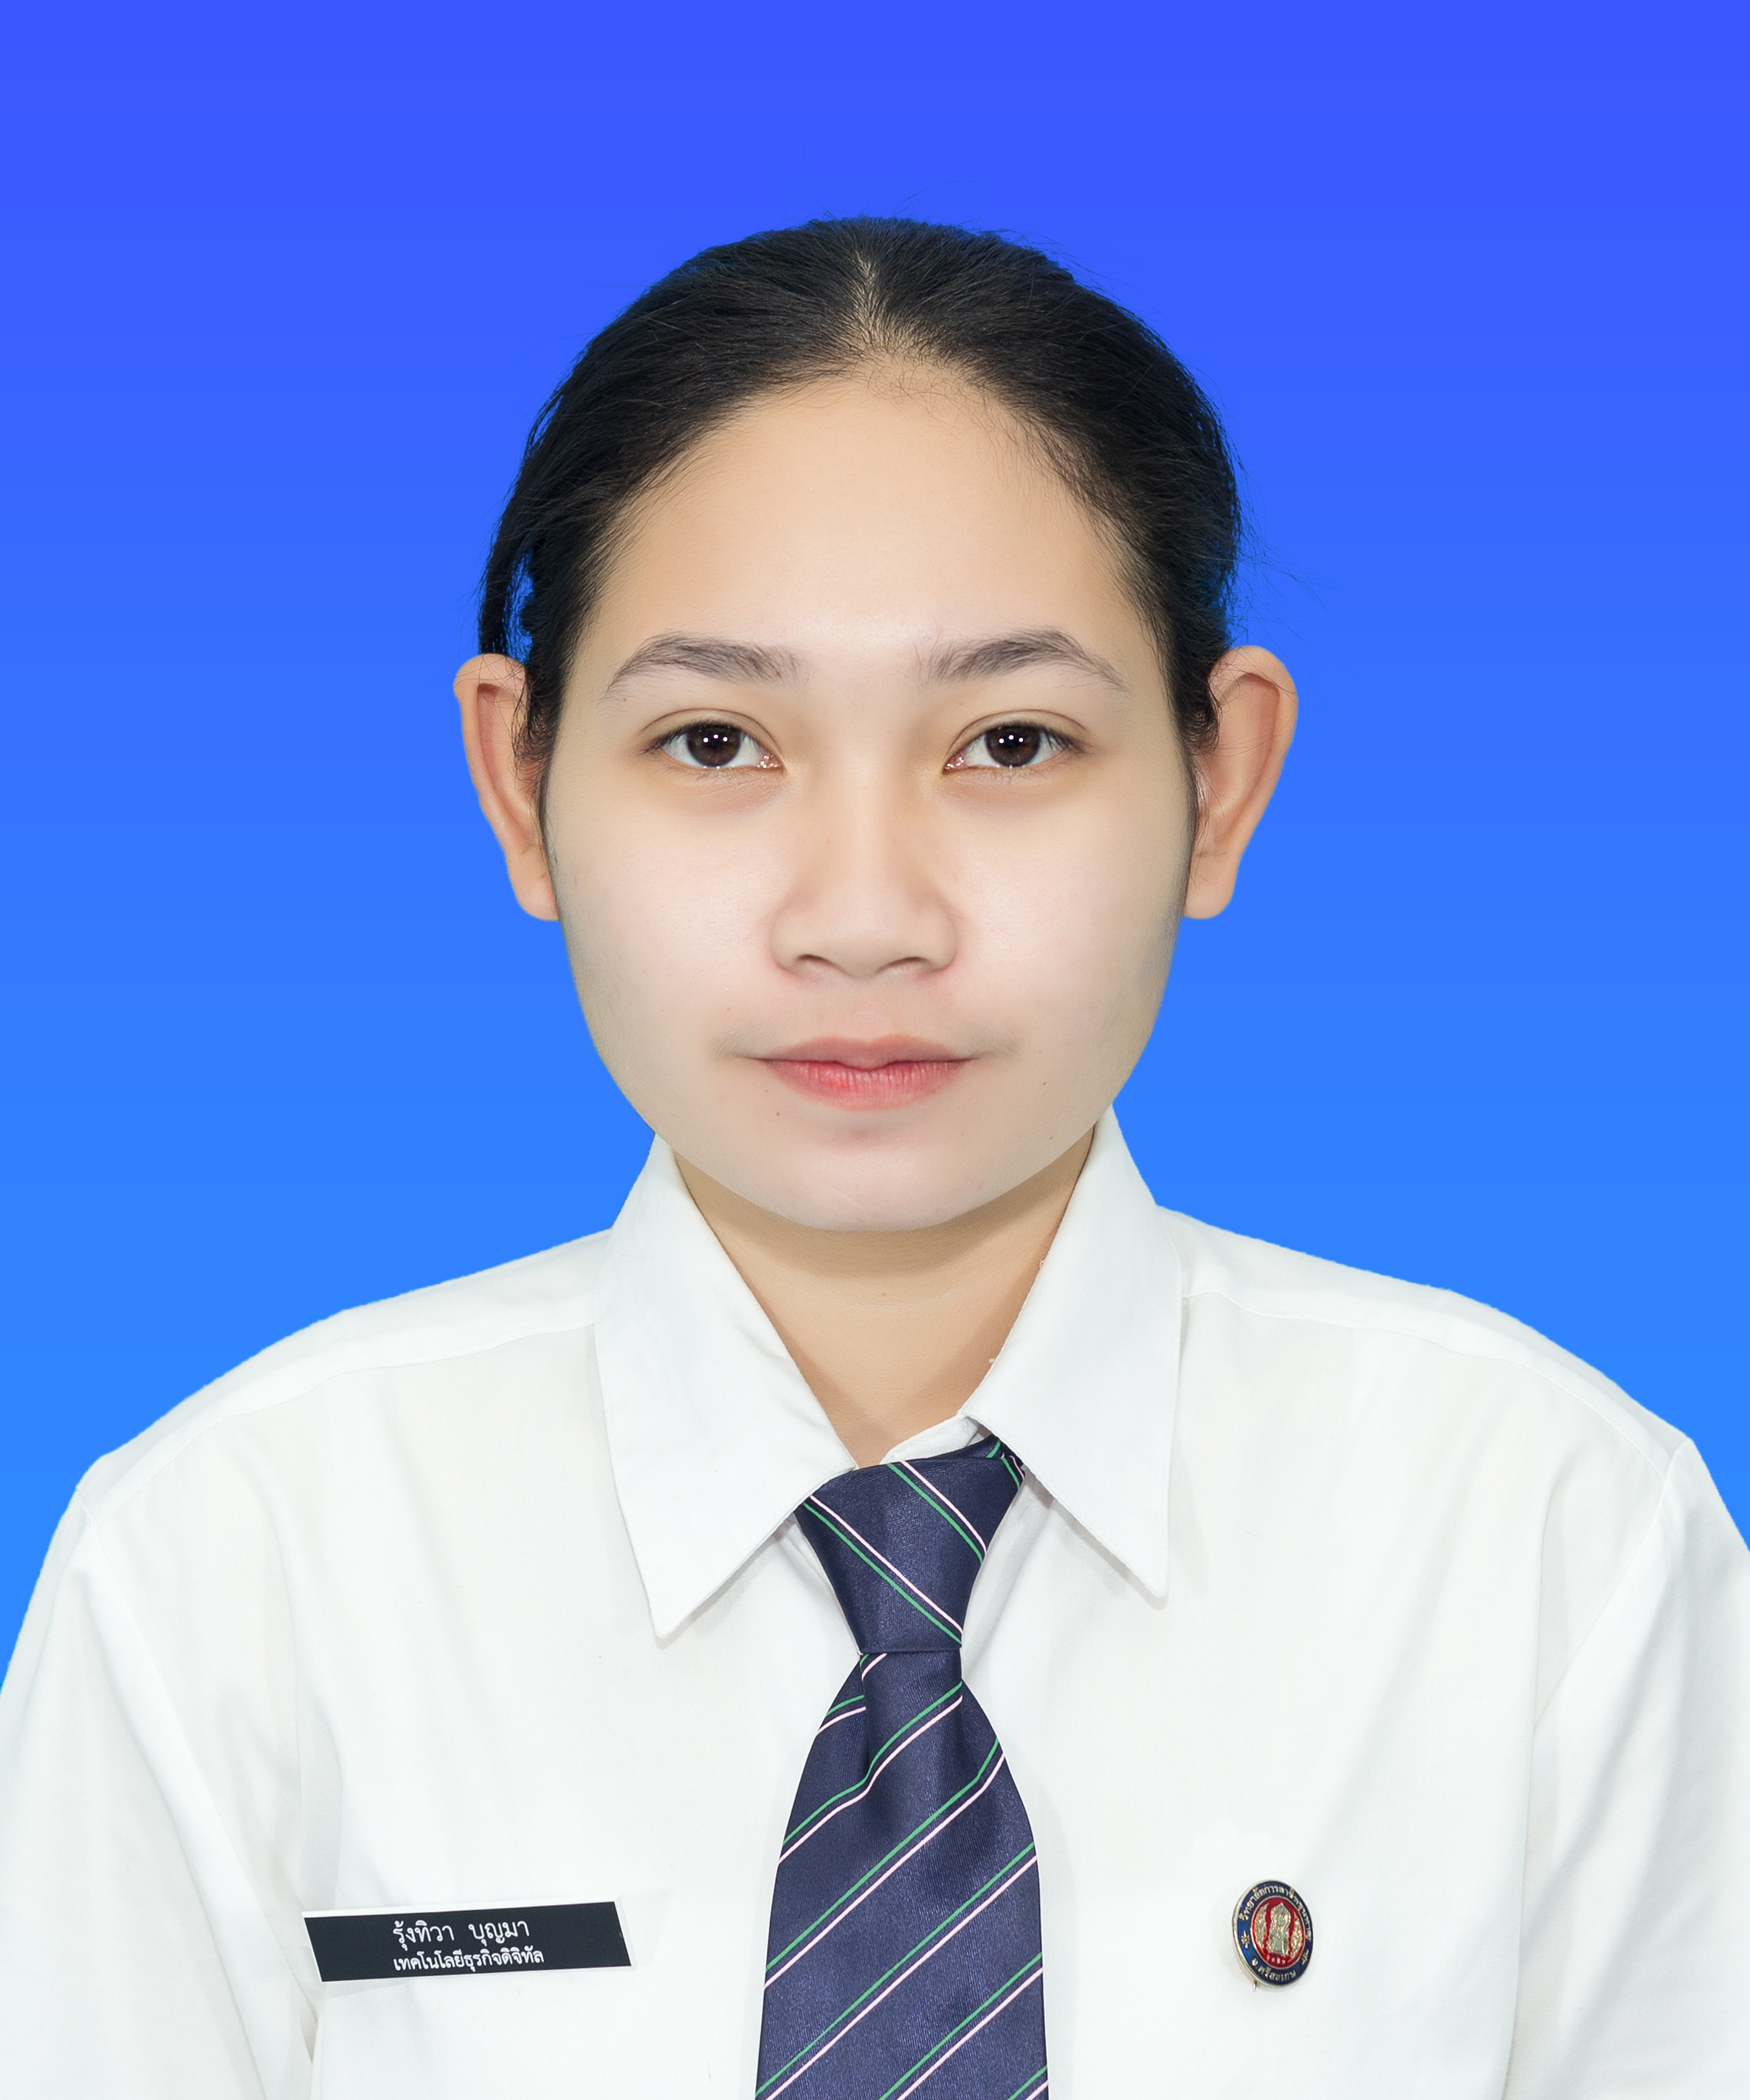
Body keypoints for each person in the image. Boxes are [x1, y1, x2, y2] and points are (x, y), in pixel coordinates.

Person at [0, 216, 1744, 2099]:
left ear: (1218, 780)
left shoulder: (1551, 1544)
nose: (861, 917)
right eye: (714, 742)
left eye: (1009, 741)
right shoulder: (232, 1569)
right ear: (520, 785)